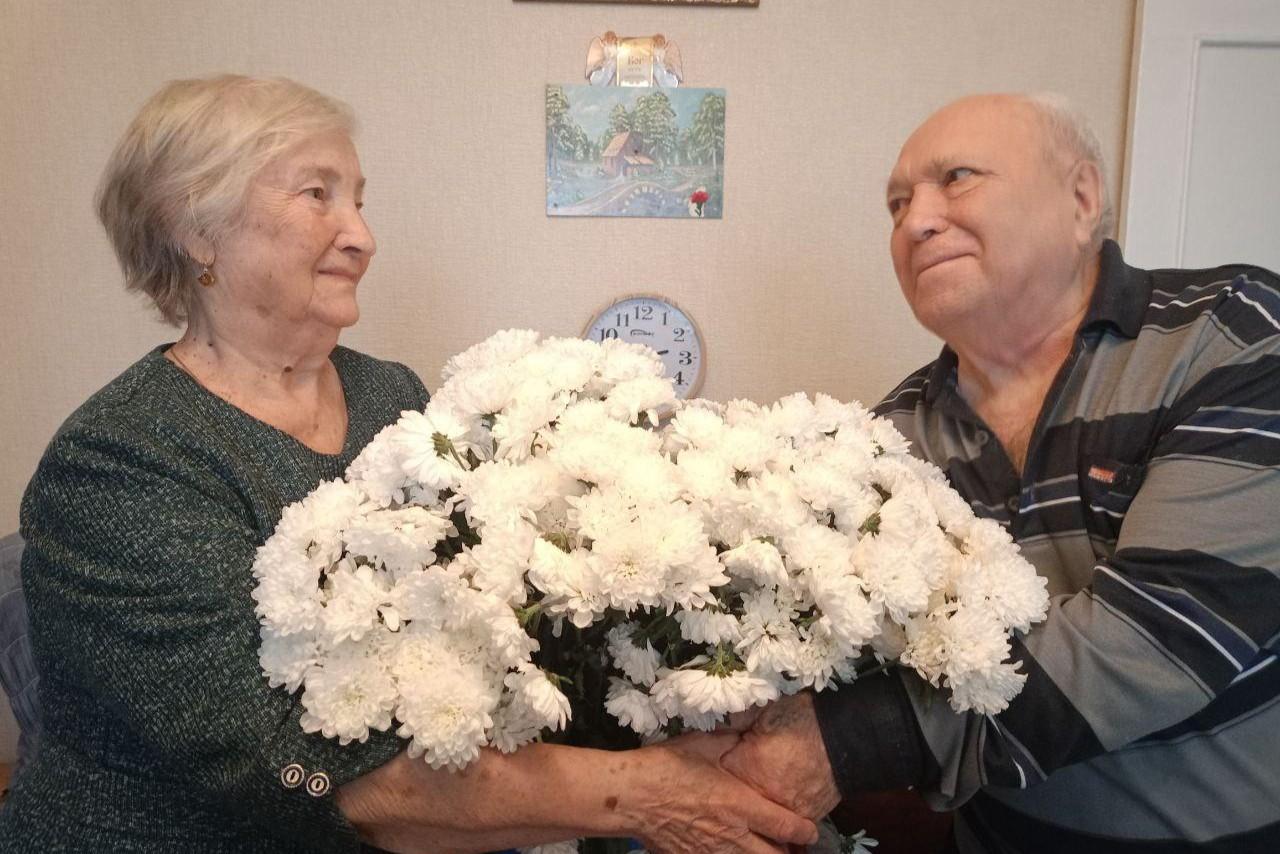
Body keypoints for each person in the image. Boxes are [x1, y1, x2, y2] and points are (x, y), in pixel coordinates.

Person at [0, 74, 817, 854]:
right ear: (194, 227)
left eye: (358, 201)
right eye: (317, 194)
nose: (362, 237)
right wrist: (647, 791)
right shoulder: (121, 460)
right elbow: (290, 765)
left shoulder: (390, 396)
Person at [720, 93, 1280, 851]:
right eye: (896, 204)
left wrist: (845, 745)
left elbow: (1161, 637)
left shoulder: (1233, 334)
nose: (915, 222)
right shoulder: (888, 436)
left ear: (1081, 199)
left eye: (957, 178)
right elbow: (835, 643)